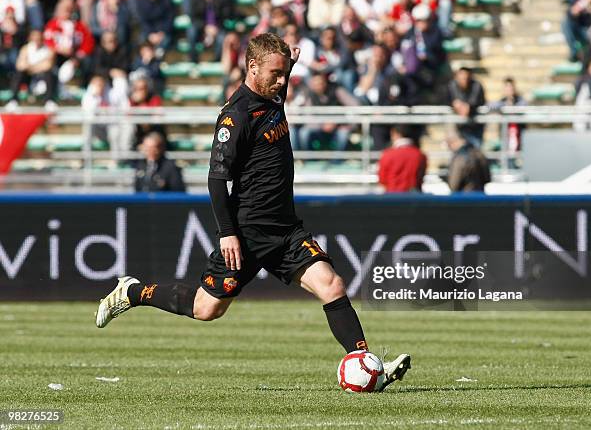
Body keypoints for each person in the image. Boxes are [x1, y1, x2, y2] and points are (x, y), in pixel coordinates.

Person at [95, 33, 410, 391]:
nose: (282, 80)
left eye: (285, 73)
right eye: (276, 73)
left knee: (332, 284)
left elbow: (281, 73)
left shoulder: (274, 92)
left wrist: (288, 61)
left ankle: (366, 364)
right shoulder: (235, 117)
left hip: (286, 230)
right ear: (252, 67)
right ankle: (133, 292)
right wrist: (227, 232)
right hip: (246, 234)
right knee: (206, 309)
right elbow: (217, 181)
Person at [6, 29, 56, 110]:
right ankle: (13, 100)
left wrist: (30, 66)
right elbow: (20, 65)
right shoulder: (25, 49)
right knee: (19, 74)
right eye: (34, 39)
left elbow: (48, 66)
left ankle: (49, 101)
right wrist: (38, 66)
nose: (36, 41)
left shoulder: (48, 49)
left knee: (49, 74)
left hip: (42, 77)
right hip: (29, 78)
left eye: (39, 39)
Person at [378, 124, 427, 192]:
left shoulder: (388, 154)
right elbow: (421, 177)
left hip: (392, 196)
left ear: (395, 134)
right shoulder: (420, 155)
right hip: (413, 197)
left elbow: (382, 179)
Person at [447, 67, 486, 148]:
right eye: (461, 78)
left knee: (475, 151)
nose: (464, 80)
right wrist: (455, 104)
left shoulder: (477, 86)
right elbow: (446, 100)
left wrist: (469, 107)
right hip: (459, 127)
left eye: (466, 78)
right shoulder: (452, 86)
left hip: (475, 126)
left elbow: (478, 101)